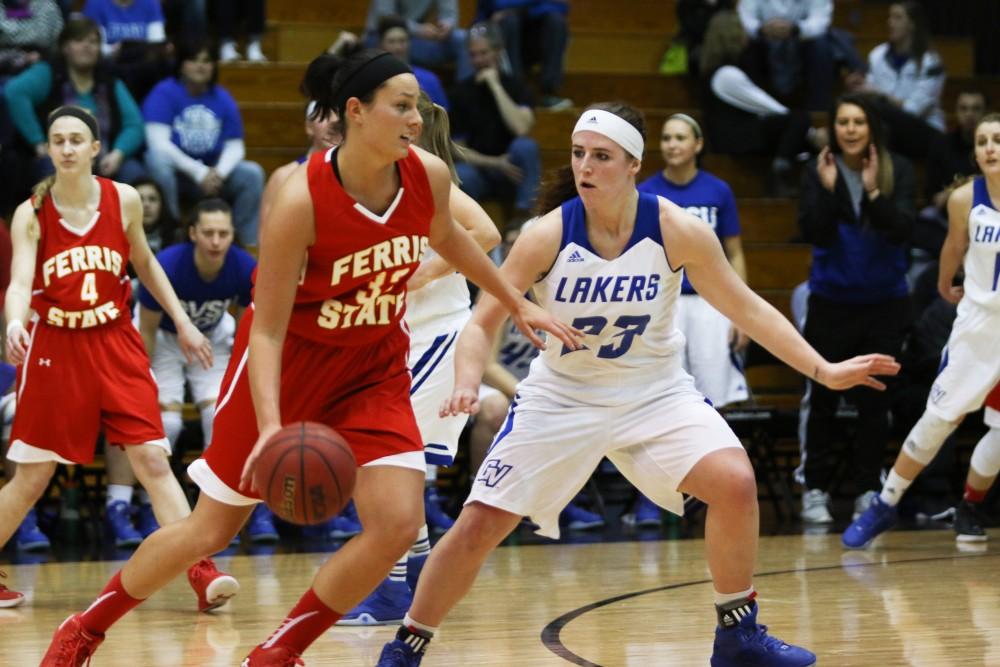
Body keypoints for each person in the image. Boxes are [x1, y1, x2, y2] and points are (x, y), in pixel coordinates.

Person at [40, 50, 579, 666]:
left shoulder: (425, 174)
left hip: (373, 365)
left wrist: (516, 300)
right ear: (356, 111)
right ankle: (87, 625)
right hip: (288, 365)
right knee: (211, 530)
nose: (415, 119)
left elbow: (454, 238)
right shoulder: (300, 199)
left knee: (398, 524)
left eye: (419, 108)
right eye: (401, 107)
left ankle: (278, 651)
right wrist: (271, 428)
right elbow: (265, 331)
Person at [375, 101, 900, 667]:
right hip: (563, 398)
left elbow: (747, 309)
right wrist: (468, 379)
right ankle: (407, 644)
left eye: (601, 156)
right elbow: (481, 324)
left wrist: (824, 370)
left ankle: (738, 635)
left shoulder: (676, 228)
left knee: (734, 480)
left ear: (632, 166)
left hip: (654, 392)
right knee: (479, 525)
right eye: (579, 154)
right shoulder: (545, 235)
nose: (586, 167)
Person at [0, 105, 236, 612]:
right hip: (56, 347)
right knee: (33, 477)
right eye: (57, 140)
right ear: (48, 149)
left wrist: (184, 320)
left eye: (75, 139)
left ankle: (201, 572)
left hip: (113, 338)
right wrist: (15, 322)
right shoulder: (32, 212)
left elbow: (145, 263)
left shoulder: (123, 199)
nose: (66, 148)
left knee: (152, 457)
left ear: (94, 148)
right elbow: (20, 282)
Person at [336, 90, 501, 626]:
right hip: (401, 337)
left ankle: (392, 589)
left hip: (439, 333)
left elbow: (488, 232)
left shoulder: (431, 182)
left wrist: (428, 270)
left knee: (387, 461)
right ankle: (415, 576)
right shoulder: (379, 184)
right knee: (396, 464)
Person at [842, 113, 1000, 548]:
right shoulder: (966, 198)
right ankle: (886, 501)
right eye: (982, 141)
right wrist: (944, 283)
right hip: (981, 324)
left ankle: (970, 506)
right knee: (939, 419)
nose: (989, 148)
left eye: (998, 140)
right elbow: (953, 245)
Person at [797, 94, 915, 525]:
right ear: (834, 127)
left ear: (871, 128)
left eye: (858, 122)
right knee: (823, 397)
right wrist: (829, 192)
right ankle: (815, 489)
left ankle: (869, 487)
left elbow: (904, 229)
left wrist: (873, 193)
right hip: (832, 302)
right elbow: (813, 232)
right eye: (843, 121)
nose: (849, 129)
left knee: (875, 402)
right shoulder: (818, 170)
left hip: (884, 303)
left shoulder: (896, 168)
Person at [631, 112, 747, 525]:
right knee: (656, 398)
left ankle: (713, 487)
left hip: (710, 302)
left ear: (698, 144)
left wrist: (740, 310)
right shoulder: (645, 192)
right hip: (663, 305)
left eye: (680, 137)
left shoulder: (718, 190)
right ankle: (652, 497)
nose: (672, 144)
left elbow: (734, 251)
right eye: (666, 137)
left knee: (713, 398)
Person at [132, 198, 258, 538]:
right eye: (208, 233)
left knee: (218, 417)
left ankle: (216, 505)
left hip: (211, 339)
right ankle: (148, 505)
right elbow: (146, 330)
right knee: (168, 424)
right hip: (164, 339)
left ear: (233, 235)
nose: (216, 241)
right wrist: (143, 380)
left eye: (223, 233)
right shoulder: (169, 266)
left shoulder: (244, 266)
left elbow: (254, 329)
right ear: (193, 234)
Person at [141, 37, 265, 247]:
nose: (201, 66)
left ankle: (242, 242)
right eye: (194, 60)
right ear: (181, 64)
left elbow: (235, 145)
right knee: (157, 160)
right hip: (180, 174)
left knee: (252, 174)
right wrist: (199, 173)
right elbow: (158, 143)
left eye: (207, 61)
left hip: (213, 174)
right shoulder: (164, 93)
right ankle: (171, 234)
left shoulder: (222, 97)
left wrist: (217, 174)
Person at [3, 17, 147, 185]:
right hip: (58, 159)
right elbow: (14, 93)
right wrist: (38, 143)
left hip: (104, 159)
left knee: (135, 175)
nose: (87, 46)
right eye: (79, 40)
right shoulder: (48, 73)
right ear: (65, 47)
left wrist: (117, 154)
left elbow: (134, 124)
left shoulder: (110, 83)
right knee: (54, 173)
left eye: (93, 42)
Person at [697, 10, 817, 197]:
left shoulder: (722, 71)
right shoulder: (726, 74)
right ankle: (780, 174)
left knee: (797, 132)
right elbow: (770, 107)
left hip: (739, 136)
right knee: (800, 119)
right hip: (736, 140)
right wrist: (811, 133)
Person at [450, 21, 540, 224]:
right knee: (461, 173)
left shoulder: (517, 85)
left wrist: (495, 85)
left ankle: (525, 221)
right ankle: (470, 230)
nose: (479, 60)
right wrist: (496, 163)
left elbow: (521, 127)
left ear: (498, 51)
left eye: (484, 53)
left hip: (513, 171)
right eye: (473, 55)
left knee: (526, 147)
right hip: (480, 170)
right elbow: (457, 149)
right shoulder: (460, 92)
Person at [847, 2, 945, 160]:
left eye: (897, 17)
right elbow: (871, 96)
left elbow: (914, 109)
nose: (890, 22)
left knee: (882, 114)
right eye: (890, 17)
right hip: (889, 129)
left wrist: (880, 95)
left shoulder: (931, 62)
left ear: (912, 24)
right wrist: (858, 86)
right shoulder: (877, 55)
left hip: (925, 132)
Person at [736, 0, 835, 111]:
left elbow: (820, 21)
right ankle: (754, 111)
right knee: (746, 46)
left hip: (801, 41)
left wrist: (796, 29)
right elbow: (744, 19)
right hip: (763, 41)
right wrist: (761, 29)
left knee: (821, 45)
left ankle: (818, 112)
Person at [476, 0, 572, 110]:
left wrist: (518, 8)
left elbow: (561, 7)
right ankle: (515, 92)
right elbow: (496, 4)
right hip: (500, 38)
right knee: (509, 20)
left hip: (531, 41)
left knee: (556, 21)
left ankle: (549, 92)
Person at [364, 0, 471, 80]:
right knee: (394, 39)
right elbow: (384, 16)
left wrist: (447, 25)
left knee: (462, 39)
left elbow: (449, 15)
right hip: (381, 36)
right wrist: (417, 29)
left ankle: (466, 95)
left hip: (416, 41)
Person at [376, 15, 449, 109]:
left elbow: (442, 116)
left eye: (402, 41)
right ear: (380, 45)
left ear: (409, 43)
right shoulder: (373, 80)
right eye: (391, 41)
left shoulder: (429, 79)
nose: (398, 47)